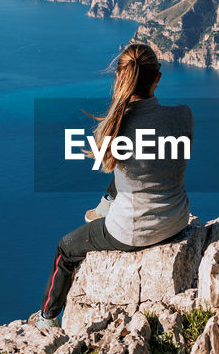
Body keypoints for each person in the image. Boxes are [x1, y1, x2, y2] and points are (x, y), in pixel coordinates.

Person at [32, 43, 193, 328]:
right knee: (132, 174)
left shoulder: (117, 128)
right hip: (177, 219)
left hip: (133, 232)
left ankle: (46, 318)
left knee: (66, 249)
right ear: (157, 78)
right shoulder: (183, 115)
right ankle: (103, 208)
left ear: (120, 79)